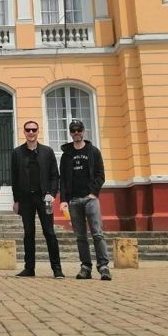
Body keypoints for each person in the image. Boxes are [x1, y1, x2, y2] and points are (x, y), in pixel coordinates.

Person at [10, 120, 64, 278]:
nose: (31, 132)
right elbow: (15, 178)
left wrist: (52, 194)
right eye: (28, 130)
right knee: (28, 233)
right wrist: (16, 200)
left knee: (49, 232)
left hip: (44, 198)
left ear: (38, 131)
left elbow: (55, 176)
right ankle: (29, 268)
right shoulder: (17, 153)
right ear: (24, 132)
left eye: (34, 130)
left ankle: (57, 268)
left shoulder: (47, 152)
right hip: (26, 199)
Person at [60, 119, 111, 281]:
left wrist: (93, 193)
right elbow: (63, 180)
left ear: (84, 131)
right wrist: (63, 199)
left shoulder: (93, 151)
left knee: (97, 234)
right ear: (70, 133)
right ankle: (85, 267)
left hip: (90, 200)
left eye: (79, 130)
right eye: (73, 130)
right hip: (74, 201)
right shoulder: (66, 155)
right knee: (80, 236)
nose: (76, 133)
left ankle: (103, 267)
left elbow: (100, 175)